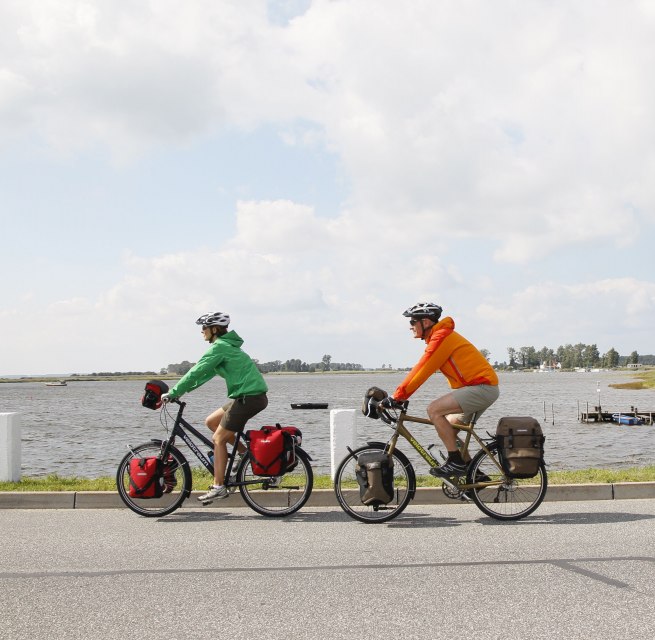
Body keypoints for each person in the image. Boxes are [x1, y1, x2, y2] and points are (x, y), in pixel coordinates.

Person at [161, 312, 268, 502]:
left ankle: (219, 486)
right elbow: (203, 375)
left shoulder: (219, 347)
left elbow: (196, 371)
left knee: (218, 439)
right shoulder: (225, 347)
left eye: (204, 328)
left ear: (214, 330)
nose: (202, 331)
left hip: (248, 397)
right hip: (248, 396)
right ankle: (243, 456)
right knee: (211, 422)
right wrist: (179, 392)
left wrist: (174, 392)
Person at [386, 302, 499, 477]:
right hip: (479, 388)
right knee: (449, 430)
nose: (410, 327)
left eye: (412, 322)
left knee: (434, 410)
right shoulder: (440, 337)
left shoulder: (442, 337)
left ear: (425, 322)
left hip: (481, 388)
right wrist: (399, 395)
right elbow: (421, 370)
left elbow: (422, 370)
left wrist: (397, 396)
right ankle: (473, 474)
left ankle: (455, 462)